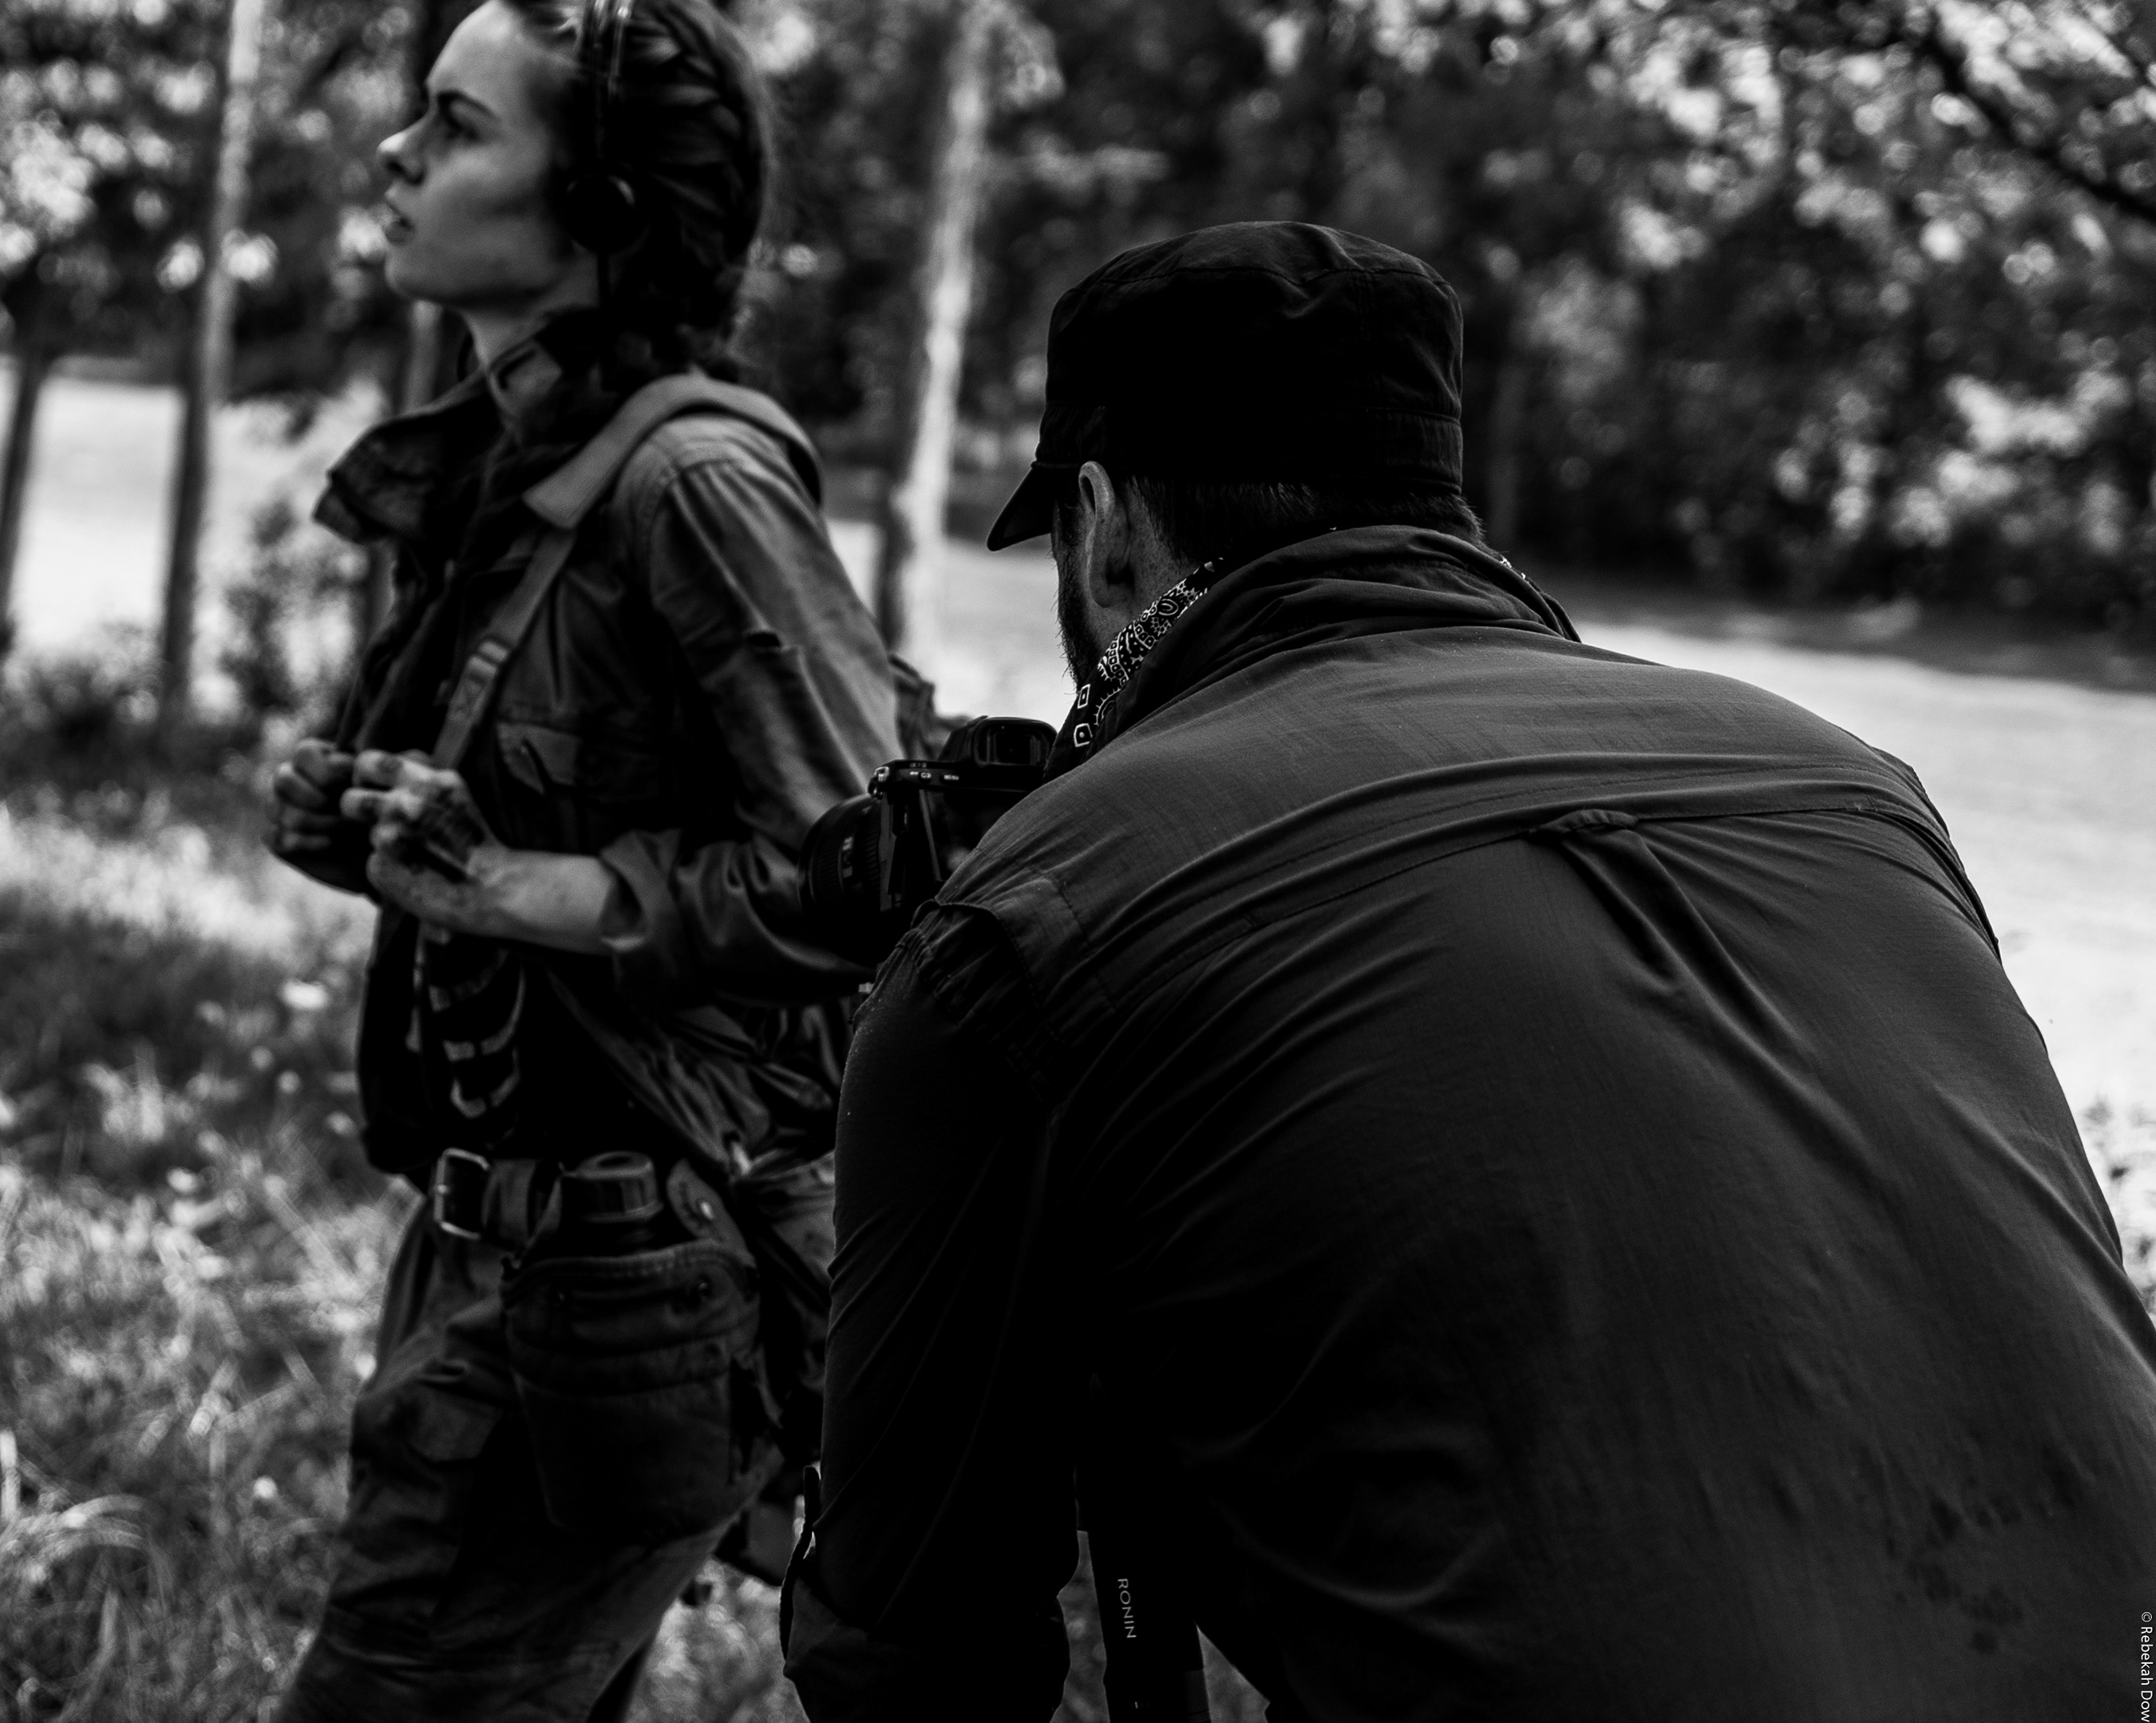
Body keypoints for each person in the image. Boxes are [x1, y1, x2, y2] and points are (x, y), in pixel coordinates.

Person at [784, 222, 2156, 1721]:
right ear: (1438, 493)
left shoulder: (1033, 918)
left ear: (1103, 522)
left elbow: (907, 1663)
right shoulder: (1848, 784)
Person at [263, 1, 897, 1717]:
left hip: (624, 1279)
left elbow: (875, 867)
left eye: (460, 126)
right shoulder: (519, 450)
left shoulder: (695, 482)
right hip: (500, 1249)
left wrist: (529, 891)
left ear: (602, 210)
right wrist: (382, 833)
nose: (398, 153)